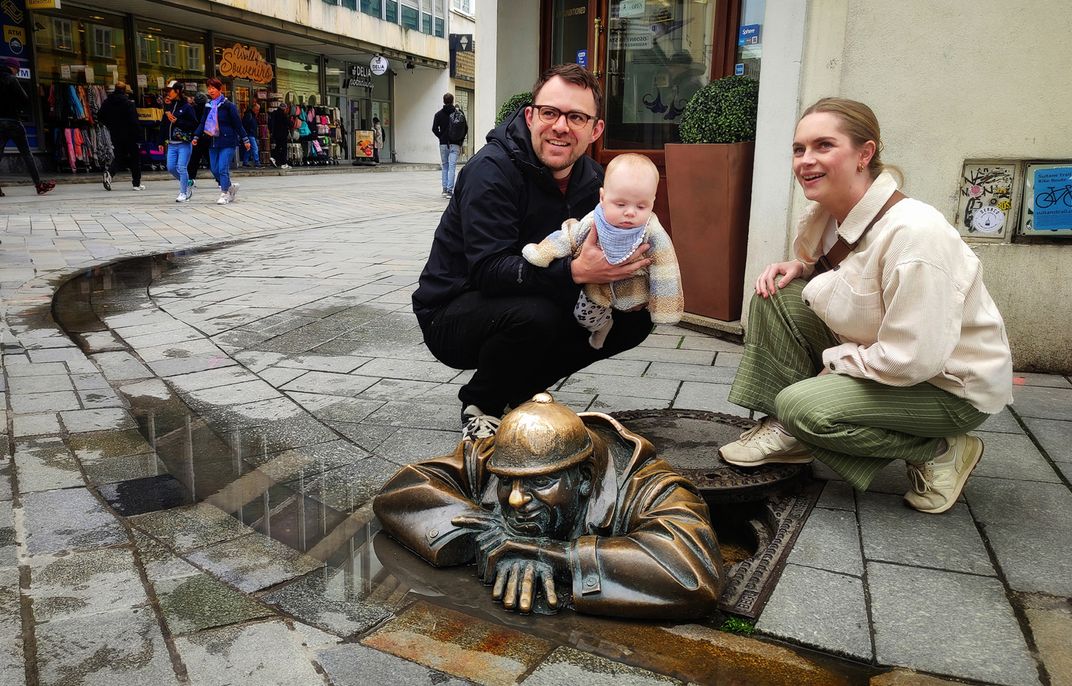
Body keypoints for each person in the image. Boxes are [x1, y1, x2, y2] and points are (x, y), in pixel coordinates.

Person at [718, 97, 1013, 515]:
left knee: (802, 407)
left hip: (944, 386)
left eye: (824, 145)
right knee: (775, 295)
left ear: (865, 154)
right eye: (799, 149)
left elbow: (912, 359)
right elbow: (855, 275)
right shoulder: (829, 213)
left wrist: (834, 363)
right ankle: (790, 434)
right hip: (888, 355)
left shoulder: (915, 235)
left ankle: (940, 449)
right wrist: (803, 267)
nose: (806, 160)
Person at [412, 64, 654, 442]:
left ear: (595, 130)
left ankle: (520, 389)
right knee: (536, 315)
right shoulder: (490, 170)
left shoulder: (595, 180)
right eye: (550, 112)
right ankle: (482, 403)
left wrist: (635, 278)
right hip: (453, 309)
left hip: (535, 293)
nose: (561, 127)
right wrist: (576, 272)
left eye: (576, 117)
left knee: (634, 317)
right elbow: (489, 270)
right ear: (530, 117)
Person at [374, 393, 725, 618]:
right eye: (507, 481)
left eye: (540, 483)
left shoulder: (650, 486)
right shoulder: (500, 456)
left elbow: (692, 573)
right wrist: (481, 531)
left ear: (584, 477)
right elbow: (403, 488)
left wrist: (551, 555)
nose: (515, 498)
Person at [522, 153, 682, 349]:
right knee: (582, 315)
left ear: (652, 202)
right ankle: (603, 326)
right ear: (603, 197)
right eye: (620, 204)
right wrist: (542, 252)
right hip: (597, 289)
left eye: (641, 206)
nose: (630, 212)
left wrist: (664, 309)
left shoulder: (651, 231)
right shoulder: (595, 220)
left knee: (635, 321)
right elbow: (567, 237)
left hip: (633, 292)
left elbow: (666, 267)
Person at [0, 57, 55, 196]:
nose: (17, 72)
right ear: (13, 68)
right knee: (26, 154)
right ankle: (39, 185)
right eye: (17, 70)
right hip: (13, 121)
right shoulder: (12, 80)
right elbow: (24, 99)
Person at [192, 78, 250, 206]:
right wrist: (196, 136)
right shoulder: (208, 106)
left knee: (223, 168)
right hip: (213, 141)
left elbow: (238, 124)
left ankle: (224, 193)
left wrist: (245, 139)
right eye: (209, 88)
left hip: (227, 141)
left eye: (213, 88)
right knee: (214, 169)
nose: (211, 91)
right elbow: (203, 122)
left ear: (220, 89)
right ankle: (231, 187)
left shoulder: (228, 106)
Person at [96, 81, 145, 191]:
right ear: (124, 90)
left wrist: (110, 124)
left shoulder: (107, 102)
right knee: (135, 158)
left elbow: (100, 116)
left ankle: (109, 173)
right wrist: (139, 136)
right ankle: (136, 183)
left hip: (115, 134)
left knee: (119, 157)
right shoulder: (128, 103)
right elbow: (134, 121)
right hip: (130, 135)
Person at [160, 81, 197, 202]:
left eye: (170, 91)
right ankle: (188, 182)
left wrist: (178, 122)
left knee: (181, 167)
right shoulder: (169, 106)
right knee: (171, 167)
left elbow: (194, 124)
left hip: (184, 143)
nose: (168, 93)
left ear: (178, 91)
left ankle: (183, 193)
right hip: (171, 144)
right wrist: (161, 141)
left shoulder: (187, 107)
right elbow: (164, 124)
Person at [431, 93, 464, 197]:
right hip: (455, 143)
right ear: (453, 101)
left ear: (443, 101)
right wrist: (460, 140)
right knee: (452, 167)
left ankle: (444, 190)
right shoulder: (458, 113)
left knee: (445, 166)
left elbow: (434, 129)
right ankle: (450, 191)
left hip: (443, 144)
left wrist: (441, 137)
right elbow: (465, 128)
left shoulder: (438, 114)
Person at [186, 91, 214, 185]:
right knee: (210, 159)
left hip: (196, 137)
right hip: (206, 136)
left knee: (194, 160)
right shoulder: (208, 110)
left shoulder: (192, 109)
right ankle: (219, 180)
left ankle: (191, 179)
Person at [269, 101, 291, 169]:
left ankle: (274, 158)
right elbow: (288, 123)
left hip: (276, 134)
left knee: (278, 147)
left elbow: (271, 124)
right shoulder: (283, 115)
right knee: (284, 149)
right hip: (282, 134)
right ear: (284, 108)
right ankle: (284, 163)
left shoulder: (274, 114)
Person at [241, 102, 261, 168]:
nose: (258, 111)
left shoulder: (251, 115)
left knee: (248, 149)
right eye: (257, 109)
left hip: (250, 133)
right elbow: (245, 124)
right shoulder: (249, 115)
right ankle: (257, 162)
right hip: (250, 134)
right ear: (253, 108)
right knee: (255, 148)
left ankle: (245, 162)